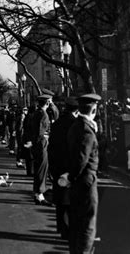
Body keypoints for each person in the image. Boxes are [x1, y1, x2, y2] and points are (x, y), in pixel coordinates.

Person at [67, 93, 101, 254]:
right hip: (86, 179)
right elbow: (81, 159)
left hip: (78, 180)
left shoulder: (76, 126)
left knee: (77, 221)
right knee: (88, 223)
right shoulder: (86, 130)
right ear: (93, 109)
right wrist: (72, 176)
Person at [48, 97, 79, 239]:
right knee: (71, 201)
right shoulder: (76, 125)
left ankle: (61, 227)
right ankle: (69, 229)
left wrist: (52, 167)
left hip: (57, 166)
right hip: (70, 168)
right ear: (77, 110)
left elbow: (51, 148)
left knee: (60, 199)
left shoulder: (56, 124)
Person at [29, 94, 56, 205]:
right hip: (42, 143)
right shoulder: (43, 114)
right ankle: (40, 194)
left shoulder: (36, 113)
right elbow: (41, 132)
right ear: (47, 103)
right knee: (42, 169)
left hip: (37, 144)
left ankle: (38, 194)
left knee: (39, 169)